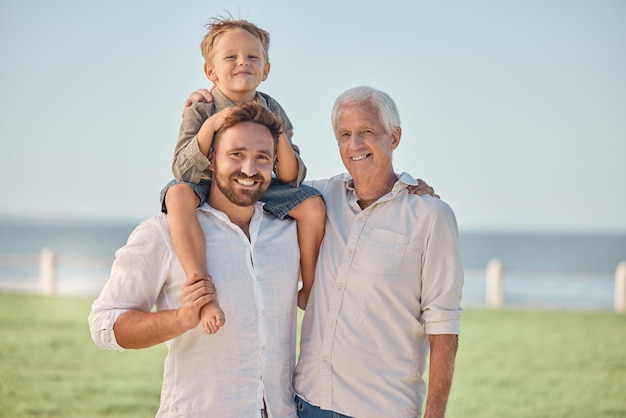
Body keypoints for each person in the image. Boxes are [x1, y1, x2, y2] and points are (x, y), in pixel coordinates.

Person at [89, 102, 301, 417]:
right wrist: (183, 319)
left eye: (262, 157)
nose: (249, 168)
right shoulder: (163, 232)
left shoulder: (288, 232)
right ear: (211, 160)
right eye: (236, 154)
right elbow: (103, 325)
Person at [291, 86, 464, 418]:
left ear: (394, 137)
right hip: (306, 402)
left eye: (366, 131)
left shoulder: (430, 215)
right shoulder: (319, 196)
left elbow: (443, 324)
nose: (354, 144)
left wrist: (435, 414)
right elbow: (251, 179)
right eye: (345, 134)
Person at [161, 17, 325, 334]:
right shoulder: (202, 107)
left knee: (313, 205)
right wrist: (212, 125)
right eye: (231, 57)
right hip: (207, 183)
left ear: (265, 70)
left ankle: (310, 287)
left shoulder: (272, 108)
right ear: (211, 72)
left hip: (260, 185)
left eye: (252, 57)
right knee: (177, 194)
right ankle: (201, 289)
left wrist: (275, 131)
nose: (242, 63)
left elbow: (291, 177)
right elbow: (182, 169)